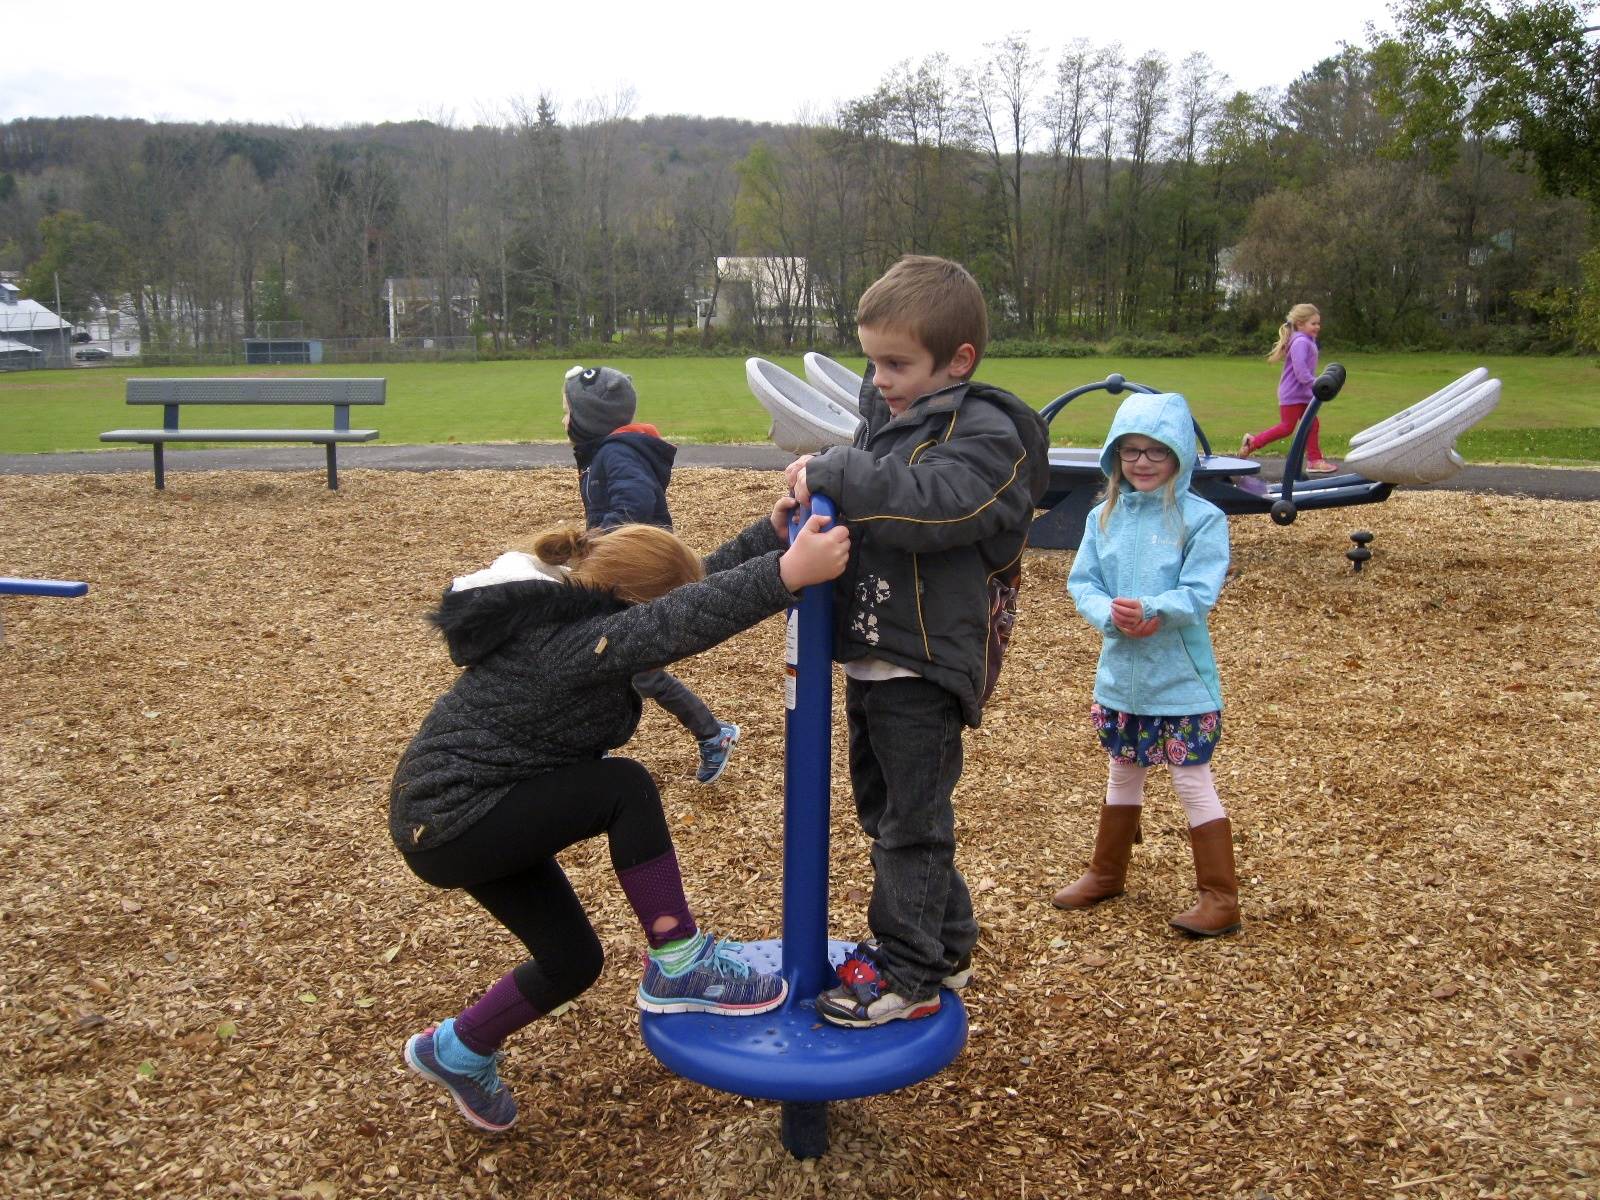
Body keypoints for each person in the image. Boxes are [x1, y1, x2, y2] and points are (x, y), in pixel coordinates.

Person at [391, 505, 851, 1132]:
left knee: (571, 961)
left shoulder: (589, 611)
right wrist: (785, 574)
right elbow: (681, 617)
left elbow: (694, 590)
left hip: (460, 816)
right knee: (625, 787)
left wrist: (767, 540)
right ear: (631, 606)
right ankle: (681, 961)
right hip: (455, 818)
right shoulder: (574, 643)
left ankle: (455, 1049)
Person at [785, 254, 1051, 1027]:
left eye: (896, 364)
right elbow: (872, 507)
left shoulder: (987, 435)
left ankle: (910, 971)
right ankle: (948, 939)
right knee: (890, 812)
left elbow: (941, 508)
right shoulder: (894, 419)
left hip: (925, 662)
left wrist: (843, 470)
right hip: (876, 650)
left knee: (913, 822)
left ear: (957, 360)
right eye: (871, 361)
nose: (880, 380)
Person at [1053, 390, 1241, 938]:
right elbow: (1083, 582)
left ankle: (1220, 897)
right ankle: (1106, 872)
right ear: (1114, 456)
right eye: (1130, 451)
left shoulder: (1202, 519)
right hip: (1121, 678)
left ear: (1179, 455)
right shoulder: (1101, 517)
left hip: (1180, 680)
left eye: (1155, 452)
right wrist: (1109, 616)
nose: (1141, 462)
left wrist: (1156, 610)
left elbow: (1201, 591)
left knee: (1190, 778)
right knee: (1122, 769)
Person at [561, 364, 741, 784]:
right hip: (623, 568)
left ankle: (713, 734)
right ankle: (705, 734)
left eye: (568, 411)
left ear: (587, 420)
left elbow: (636, 504)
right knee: (611, 661)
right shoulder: (607, 453)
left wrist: (597, 545)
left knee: (625, 666)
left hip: (636, 572)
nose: (563, 419)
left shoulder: (615, 454)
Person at [1240, 303, 1338, 474]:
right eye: (1313, 323)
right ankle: (1253, 442)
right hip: (1293, 393)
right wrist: (1316, 383)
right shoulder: (1300, 342)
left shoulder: (1307, 340)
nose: (1317, 327)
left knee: (1312, 424)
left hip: (1303, 394)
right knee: (1287, 427)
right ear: (1300, 324)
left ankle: (1314, 460)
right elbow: (1301, 372)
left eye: (1318, 323)